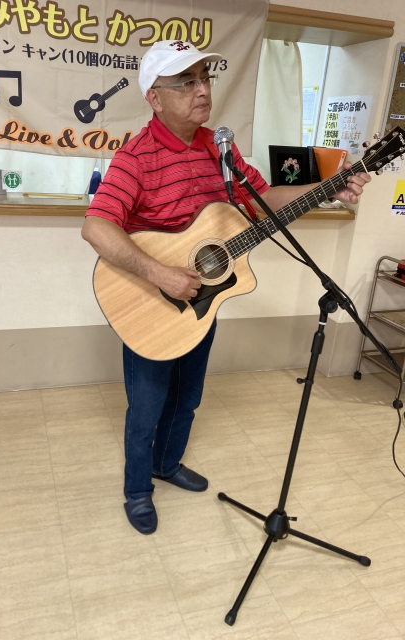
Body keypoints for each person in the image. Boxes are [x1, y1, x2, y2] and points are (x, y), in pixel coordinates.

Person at [81, 40, 370, 535]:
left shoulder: (220, 147)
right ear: (154, 97)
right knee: (146, 408)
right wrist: (160, 273)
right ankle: (137, 489)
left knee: (188, 397)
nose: (202, 90)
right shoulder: (136, 157)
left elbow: (260, 200)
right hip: (150, 304)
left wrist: (327, 189)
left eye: (204, 78)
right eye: (186, 82)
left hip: (204, 301)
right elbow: (96, 227)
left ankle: (166, 464)